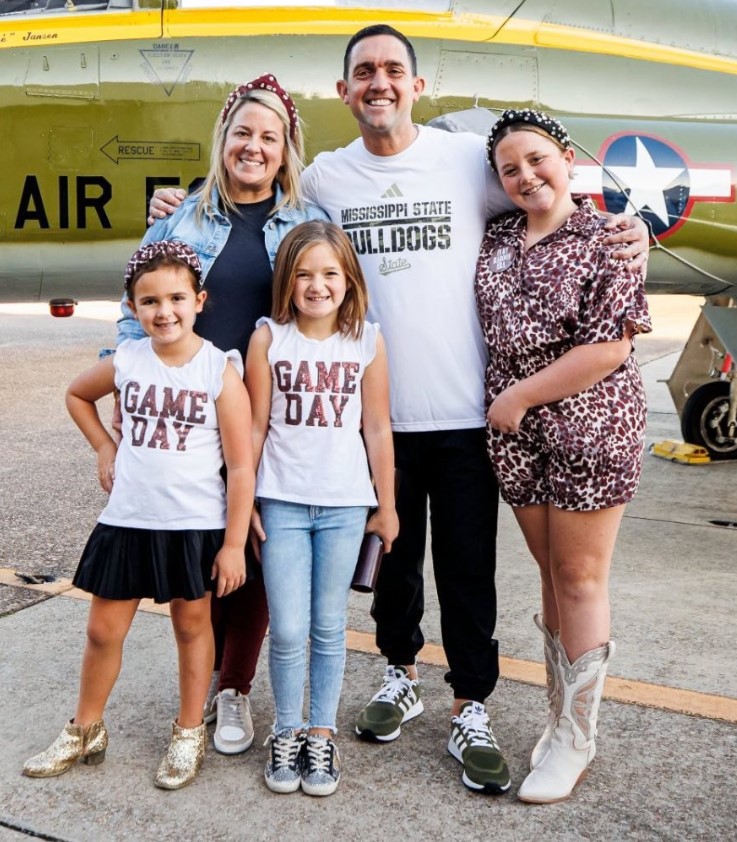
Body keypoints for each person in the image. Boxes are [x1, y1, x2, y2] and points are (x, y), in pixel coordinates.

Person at [149, 25, 650, 795]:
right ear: (345, 92)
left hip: (463, 413)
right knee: (391, 572)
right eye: (362, 73)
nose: (378, 82)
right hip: (369, 419)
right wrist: (181, 202)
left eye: (392, 70)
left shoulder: (463, 160)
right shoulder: (324, 177)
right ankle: (397, 675)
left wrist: (626, 226)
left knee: (466, 570)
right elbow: (259, 191)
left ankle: (470, 701)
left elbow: (543, 197)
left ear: (416, 86)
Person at [119, 74, 328, 758]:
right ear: (222, 139)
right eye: (242, 132)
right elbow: (133, 321)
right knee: (210, 550)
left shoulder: (306, 221)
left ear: (286, 149)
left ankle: (234, 686)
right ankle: (207, 674)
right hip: (190, 416)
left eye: (269, 137)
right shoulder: (178, 218)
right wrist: (126, 407)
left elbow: (339, 311)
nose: (254, 146)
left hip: (279, 417)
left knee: (262, 554)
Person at [23, 241, 253, 790]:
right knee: (103, 630)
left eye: (176, 298)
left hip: (192, 525)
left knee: (192, 626)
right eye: (148, 301)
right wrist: (105, 447)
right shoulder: (125, 360)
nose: (164, 311)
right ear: (131, 308)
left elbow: (242, 467)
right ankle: (85, 728)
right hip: (128, 519)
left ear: (199, 300)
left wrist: (233, 544)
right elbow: (78, 396)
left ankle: (189, 729)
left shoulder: (218, 370)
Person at [476, 109, 651, 803]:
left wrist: (517, 396)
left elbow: (611, 345)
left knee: (579, 577)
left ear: (566, 157)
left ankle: (577, 737)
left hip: (588, 427)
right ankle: (557, 717)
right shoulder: (493, 237)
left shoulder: (606, 237)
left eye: (536, 160)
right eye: (508, 169)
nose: (525, 175)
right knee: (550, 574)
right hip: (517, 440)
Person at [245, 220, 399, 796]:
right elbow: (255, 428)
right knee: (286, 627)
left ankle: (320, 734)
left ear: (348, 278)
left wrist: (387, 507)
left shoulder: (367, 340)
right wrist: (248, 505)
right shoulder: (269, 339)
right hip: (282, 501)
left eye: (330, 273)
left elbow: (378, 428)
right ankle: (286, 732)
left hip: (344, 506)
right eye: (304, 274)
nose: (317, 285)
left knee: (329, 626)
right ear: (286, 282)